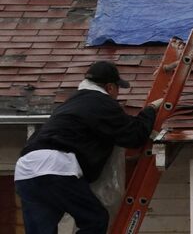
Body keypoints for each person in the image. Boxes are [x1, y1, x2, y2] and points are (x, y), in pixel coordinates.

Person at [14, 61, 163, 234]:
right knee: (95, 220)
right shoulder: (101, 103)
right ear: (110, 88)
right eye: (118, 89)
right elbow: (134, 136)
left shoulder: (70, 103)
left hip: (26, 170)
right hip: (56, 167)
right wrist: (150, 110)